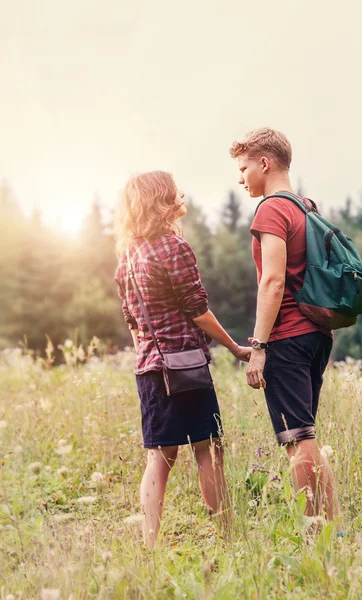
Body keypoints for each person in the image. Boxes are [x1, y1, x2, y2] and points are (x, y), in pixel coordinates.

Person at [114, 170, 250, 547]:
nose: (181, 195)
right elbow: (198, 310)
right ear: (162, 200)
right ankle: (227, 537)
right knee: (208, 448)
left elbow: (133, 323)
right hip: (185, 365)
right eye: (175, 191)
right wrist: (237, 348)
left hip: (149, 369)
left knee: (159, 456)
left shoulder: (128, 255)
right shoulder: (173, 248)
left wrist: (151, 351)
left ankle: (150, 546)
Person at [229, 128, 341, 526]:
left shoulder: (271, 210)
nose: (240, 178)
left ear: (265, 162)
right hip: (316, 335)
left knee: (297, 441)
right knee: (306, 437)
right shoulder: (304, 206)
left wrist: (259, 345)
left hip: (288, 338)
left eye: (243, 168)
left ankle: (316, 535)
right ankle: (334, 528)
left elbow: (273, 280)